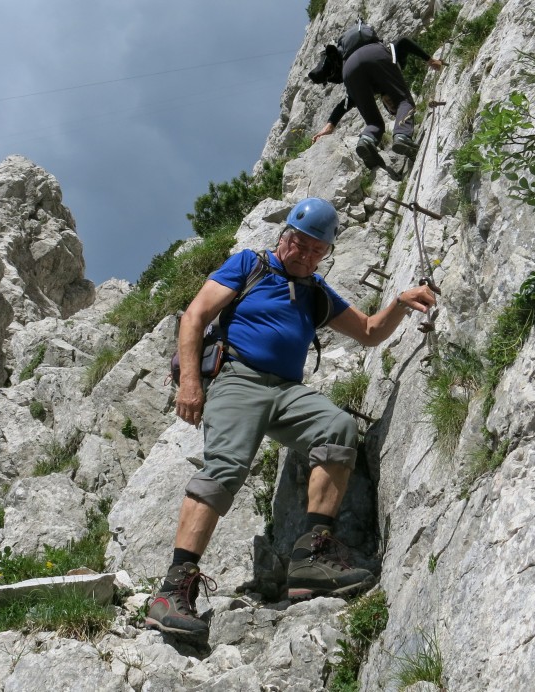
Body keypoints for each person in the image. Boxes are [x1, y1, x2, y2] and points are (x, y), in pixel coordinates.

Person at [146, 197, 437, 636]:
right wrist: (190, 382)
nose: (303, 254)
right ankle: (174, 588)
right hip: (238, 377)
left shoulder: (317, 291)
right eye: (297, 243)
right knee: (224, 469)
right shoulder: (250, 265)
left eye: (315, 249)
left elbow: (370, 333)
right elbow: (195, 316)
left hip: (286, 390)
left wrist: (399, 300)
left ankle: (311, 558)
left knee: (338, 427)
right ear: (283, 238)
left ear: (325, 254)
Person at [308, 33, 444, 168]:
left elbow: (343, 105)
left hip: (349, 69)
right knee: (405, 101)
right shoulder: (393, 69)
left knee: (374, 122)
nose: (392, 106)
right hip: (374, 53)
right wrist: (430, 60)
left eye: (392, 110)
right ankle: (402, 135)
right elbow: (403, 41)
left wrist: (329, 126)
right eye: (394, 108)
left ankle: (366, 141)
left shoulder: (372, 87)